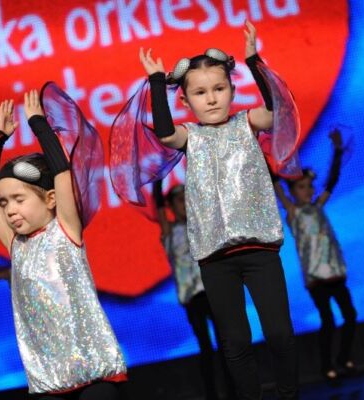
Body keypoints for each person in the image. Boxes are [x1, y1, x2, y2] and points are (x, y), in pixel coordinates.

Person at [111, 21, 300, 400]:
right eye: (200, 92)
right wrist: (156, 82)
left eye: (219, 89)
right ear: (186, 101)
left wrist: (253, 60)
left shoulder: (248, 123)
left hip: (260, 250)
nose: (211, 99)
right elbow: (164, 133)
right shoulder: (190, 137)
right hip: (214, 258)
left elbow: (275, 108)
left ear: (232, 89)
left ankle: (288, 394)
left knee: (279, 332)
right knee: (235, 341)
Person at [0, 91, 127, 399]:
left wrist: (39, 125)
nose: (10, 210)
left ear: (51, 199)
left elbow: (62, 172)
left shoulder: (66, 229)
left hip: (96, 374)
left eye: (19, 199)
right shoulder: (15, 244)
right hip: (49, 384)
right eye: (5, 202)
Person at [274, 129, 357, 382]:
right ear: (292, 191)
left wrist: (337, 151)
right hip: (316, 278)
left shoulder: (318, 205)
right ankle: (327, 366)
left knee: (350, 316)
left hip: (335, 272)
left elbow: (331, 181)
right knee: (328, 320)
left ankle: (343, 358)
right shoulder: (293, 213)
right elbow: (276, 186)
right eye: (302, 187)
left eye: (309, 186)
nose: (308, 190)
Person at [153, 181, 237, 400]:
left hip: (212, 292)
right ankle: (211, 394)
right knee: (205, 347)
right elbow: (158, 205)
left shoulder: (201, 226)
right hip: (193, 299)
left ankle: (233, 392)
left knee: (226, 345)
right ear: (171, 206)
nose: (185, 204)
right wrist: (157, 179)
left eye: (187, 199)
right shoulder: (170, 232)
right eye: (180, 200)